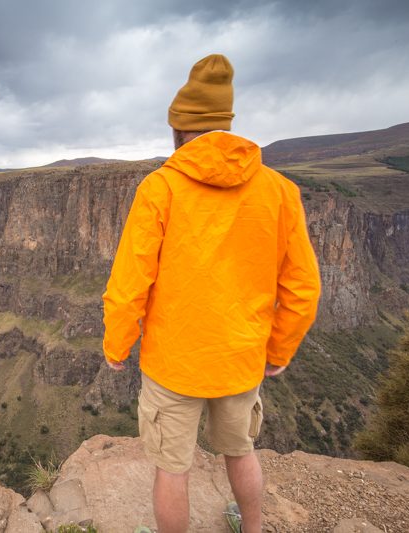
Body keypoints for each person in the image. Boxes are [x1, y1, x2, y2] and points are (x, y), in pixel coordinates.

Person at [101, 54, 322, 533]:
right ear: (225, 124)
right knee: (241, 452)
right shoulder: (280, 190)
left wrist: (117, 344)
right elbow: (303, 284)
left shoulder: (160, 188)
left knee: (172, 468)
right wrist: (280, 349)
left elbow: (129, 281)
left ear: (179, 129)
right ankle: (253, 529)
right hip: (242, 357)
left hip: (174, 363)